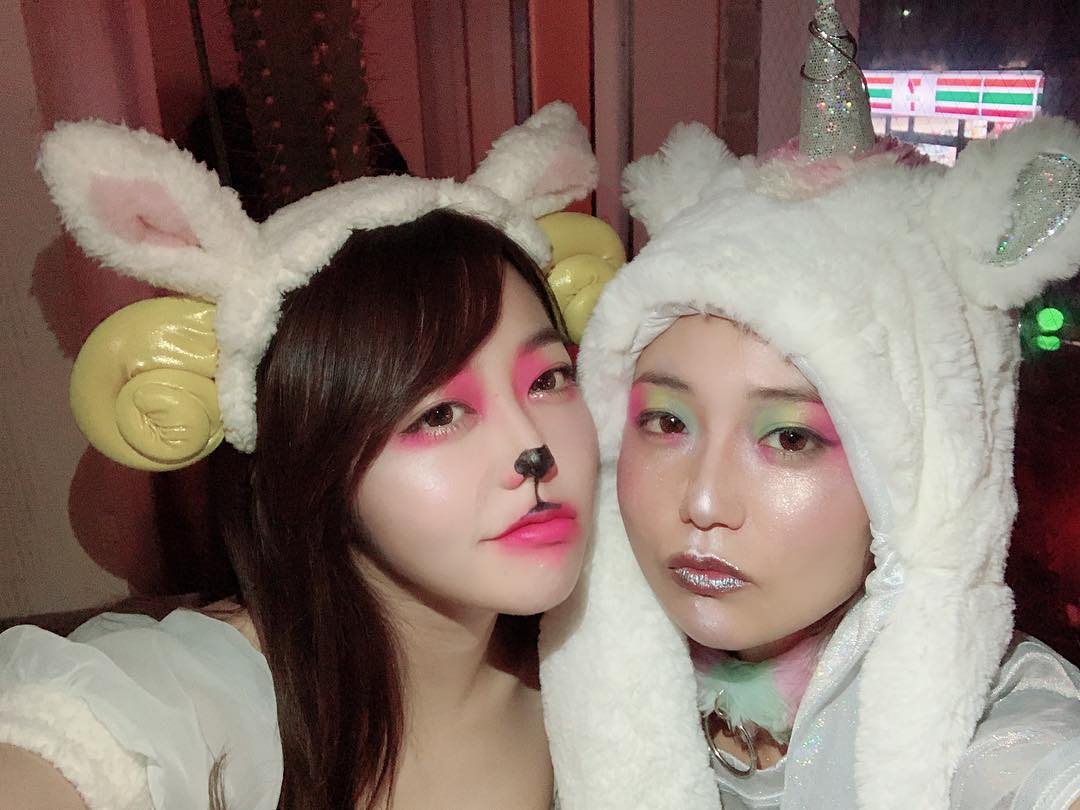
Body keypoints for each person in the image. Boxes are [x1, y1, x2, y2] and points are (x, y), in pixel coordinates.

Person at [539, 5, 1080, 809]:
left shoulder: (994, 718)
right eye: (668, 422)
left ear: (922, 474)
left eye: (789, 437)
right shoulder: (549, 667)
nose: (704, 502)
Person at [0, 102, 604, 809]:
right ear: (316, 461)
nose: (531, 448)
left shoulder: (612, 647)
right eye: (439, 414)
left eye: (548, 379)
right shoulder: (201, 705)